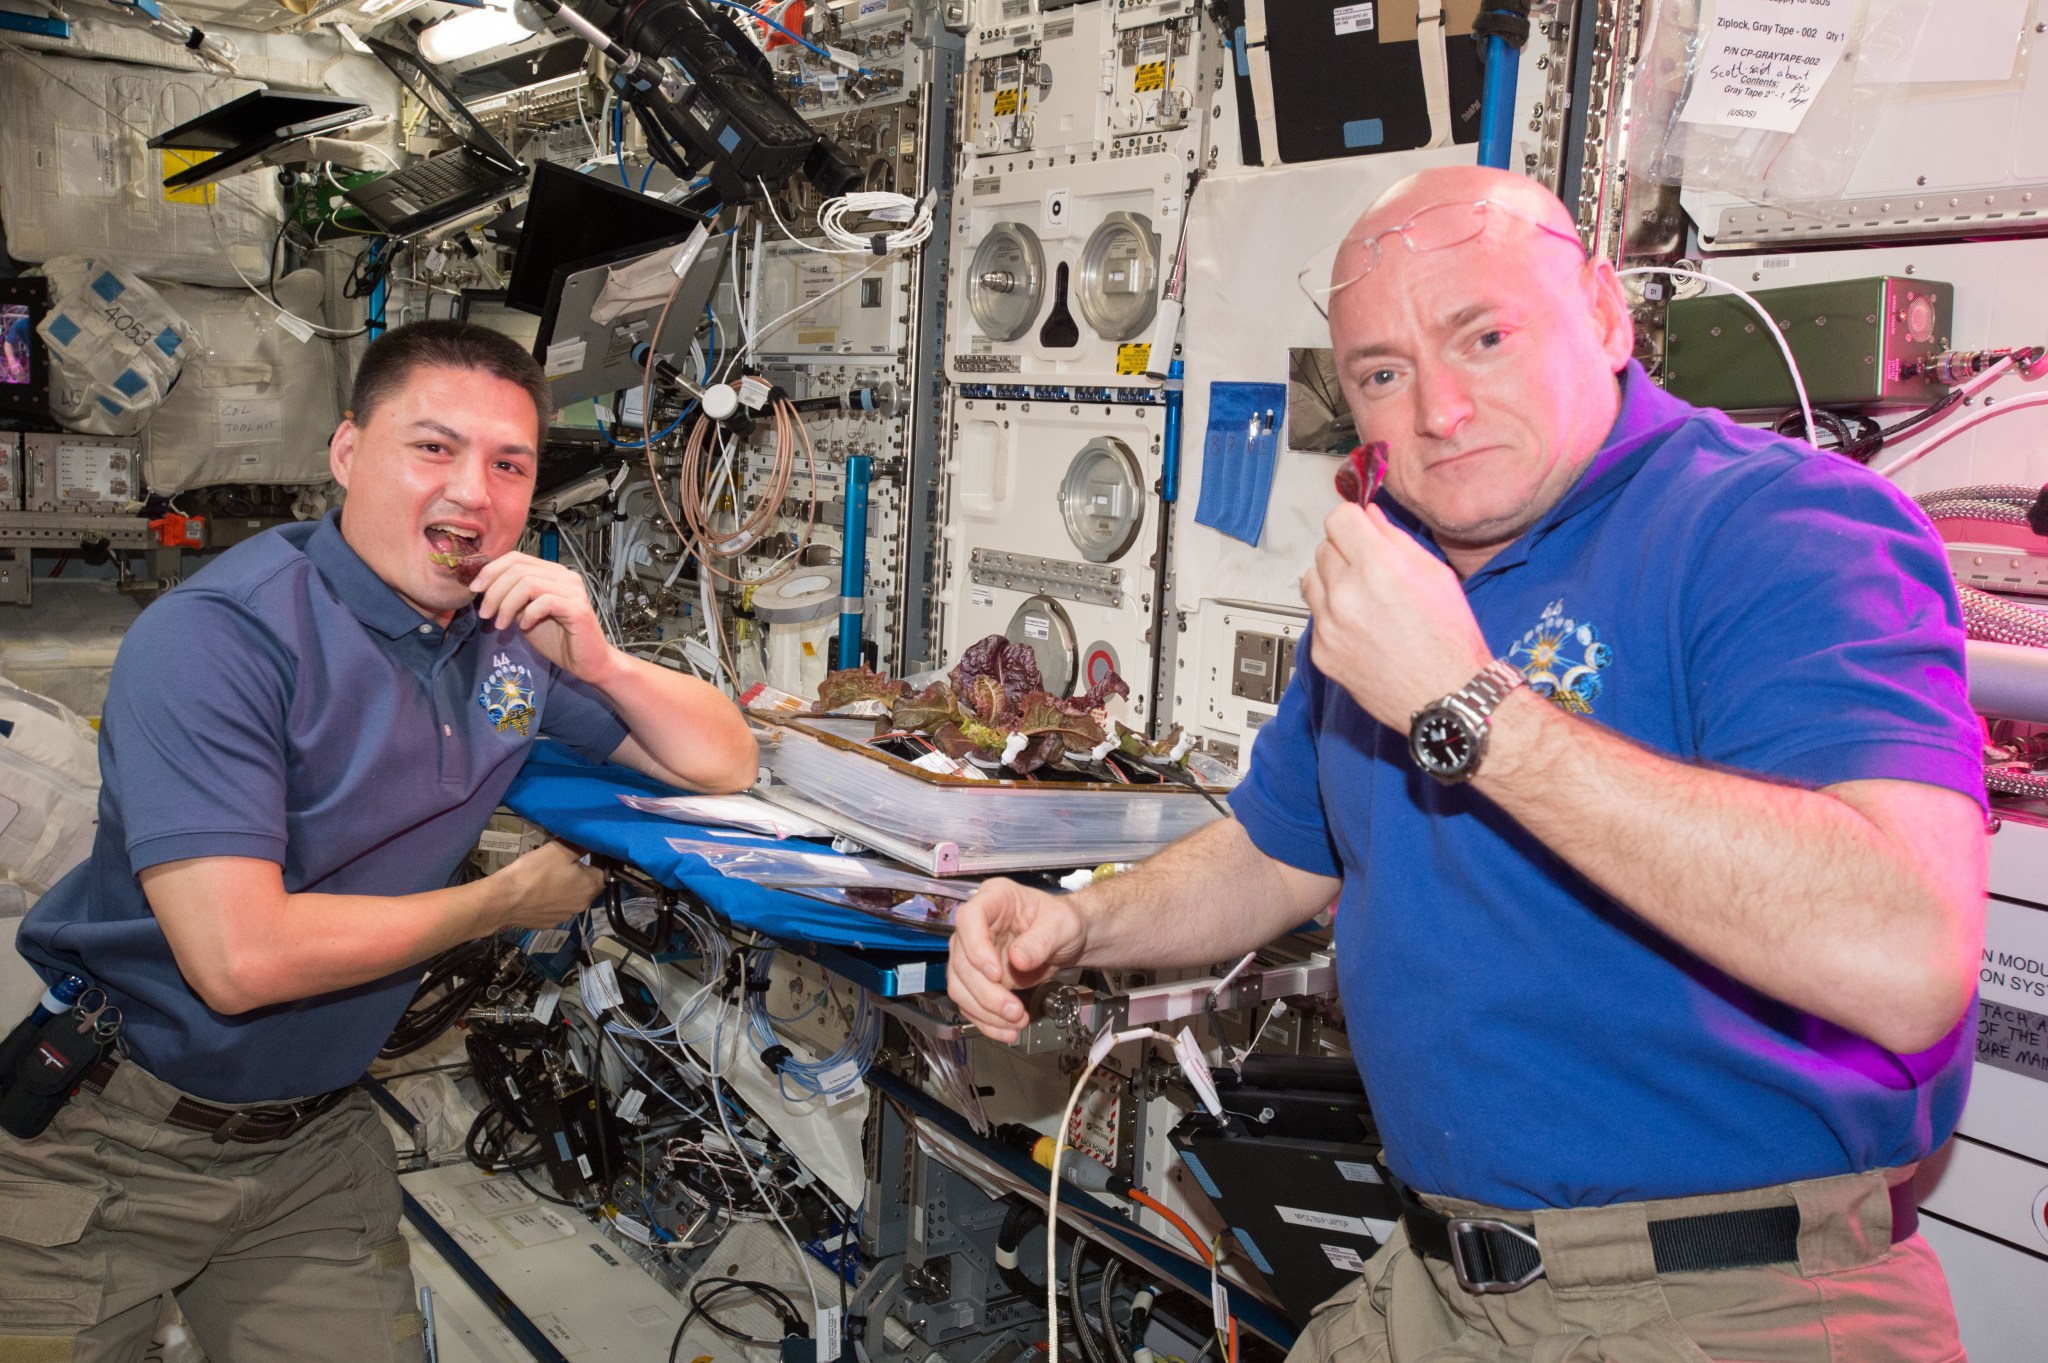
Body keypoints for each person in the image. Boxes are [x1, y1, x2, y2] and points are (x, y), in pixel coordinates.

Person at [947, 165, 1987, 1362]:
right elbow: (1283, 850)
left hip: (1718, 1299)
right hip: (1440, 1278)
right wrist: (1078, 926)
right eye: (1382, 373)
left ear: (1603, 313)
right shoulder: (1401, 567)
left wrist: (1459, 700)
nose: (1437, 410)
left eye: (1483, 336)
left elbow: (1903, 953)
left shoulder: (1775, 530)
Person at [0, 320, 758, 1360]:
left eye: (508, 464)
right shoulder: (221, 638)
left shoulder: (506, 642)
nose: (471, 492)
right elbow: (238, 961)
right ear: (348, 452)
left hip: (309, 1141)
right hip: (115, 1139)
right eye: (432, 449)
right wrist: (503, 902)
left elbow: (723, 761)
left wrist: (605, 663)